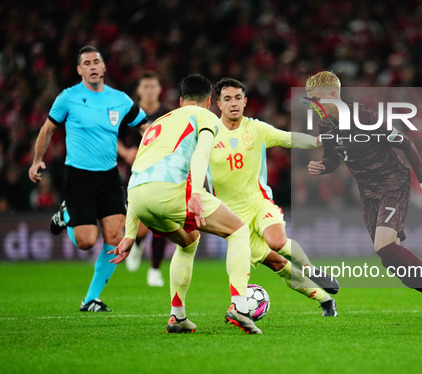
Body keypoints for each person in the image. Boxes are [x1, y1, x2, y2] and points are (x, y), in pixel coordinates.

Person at [305, 71, 422, 324]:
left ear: (333, 95)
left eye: (316, 98)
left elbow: (405, 142)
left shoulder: (363, 117)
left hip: (391, 182)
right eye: (309, 99)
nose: (311, 104)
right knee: (390, 259)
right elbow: (335, 157)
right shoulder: (326, 124)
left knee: (384, 246)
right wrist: (324, 166)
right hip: (367, 191)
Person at [110, 74, 262, 334]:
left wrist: (130, 233)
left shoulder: (158, 122)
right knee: (238, 231)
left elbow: (138, 169)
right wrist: (195, 193)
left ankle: (177, 316)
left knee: (189, 240)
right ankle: (239, 305)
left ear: (181, 101)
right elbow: (201, 153)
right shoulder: (206, 117)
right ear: (209, 103)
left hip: (137, 197)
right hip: (171, 191)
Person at [28, 45, 147, 312]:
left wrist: (156, 142)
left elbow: (144, 125)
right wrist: (37, 160)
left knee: (116, 238)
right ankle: (67, 213)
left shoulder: (120, 100)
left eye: (97, 61)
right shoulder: (68, 98)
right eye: (87, 63)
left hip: (108, 177)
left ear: (104, 67)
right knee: (86, 242)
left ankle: (90, 299)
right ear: (79, 70)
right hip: (79, 177)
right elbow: (47, 129)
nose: (93, 66)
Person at [210, 78, 338, 317]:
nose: (233, 103)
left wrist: (317, 141)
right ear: (219, 104)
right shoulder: (208, 133)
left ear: (245, 101)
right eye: (227, 99)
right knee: (278, 264)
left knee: (277, 241)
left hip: (259, 203)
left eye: (238, 98)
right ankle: (325, 300)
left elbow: (287, 138)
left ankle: (311, 268)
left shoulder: (256, 129)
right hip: (232, 218)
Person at [121, 71, 169, 287]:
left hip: (162, 173)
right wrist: (125, 153)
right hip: (133, 173)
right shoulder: (128, 113)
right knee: (139, 220)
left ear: (159, 89)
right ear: (139, 90)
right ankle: (137, 242)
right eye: (145, 87)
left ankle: (155, 270)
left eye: (153, 86)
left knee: (161, 219)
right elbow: (111, 137)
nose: (149, 90)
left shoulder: (168, 114)